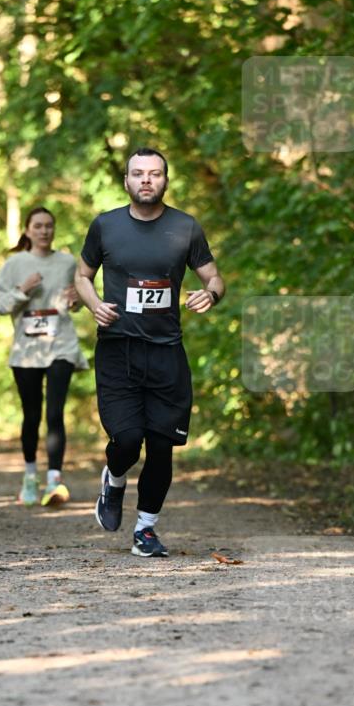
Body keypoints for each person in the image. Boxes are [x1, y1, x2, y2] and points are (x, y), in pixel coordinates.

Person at [75, 147, 225, 558]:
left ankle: (145, 529)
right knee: (126, 439)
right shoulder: (105, 226)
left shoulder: (185, 227)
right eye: (138, 173)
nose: (146, 180)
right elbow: (83, 275)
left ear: (165, 180)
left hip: (166, 353)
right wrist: (93, 304)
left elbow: (213, 276)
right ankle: (115, 476)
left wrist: (211, 294)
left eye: (154, 173)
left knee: (161, 446)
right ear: (126, 181)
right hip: (118, 350)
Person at [0, 206, 87, 507]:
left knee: (55, 413)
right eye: (38, 226)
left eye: (49, 226)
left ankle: (54, 481)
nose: (44, 231)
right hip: (27, 350)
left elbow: (80, 300)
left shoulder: (67, 261)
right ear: (27, 230)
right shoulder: (14, 264)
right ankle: (30, 476)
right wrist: (23, 289)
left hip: (61, 344)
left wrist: (76, 301)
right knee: (32, 415)